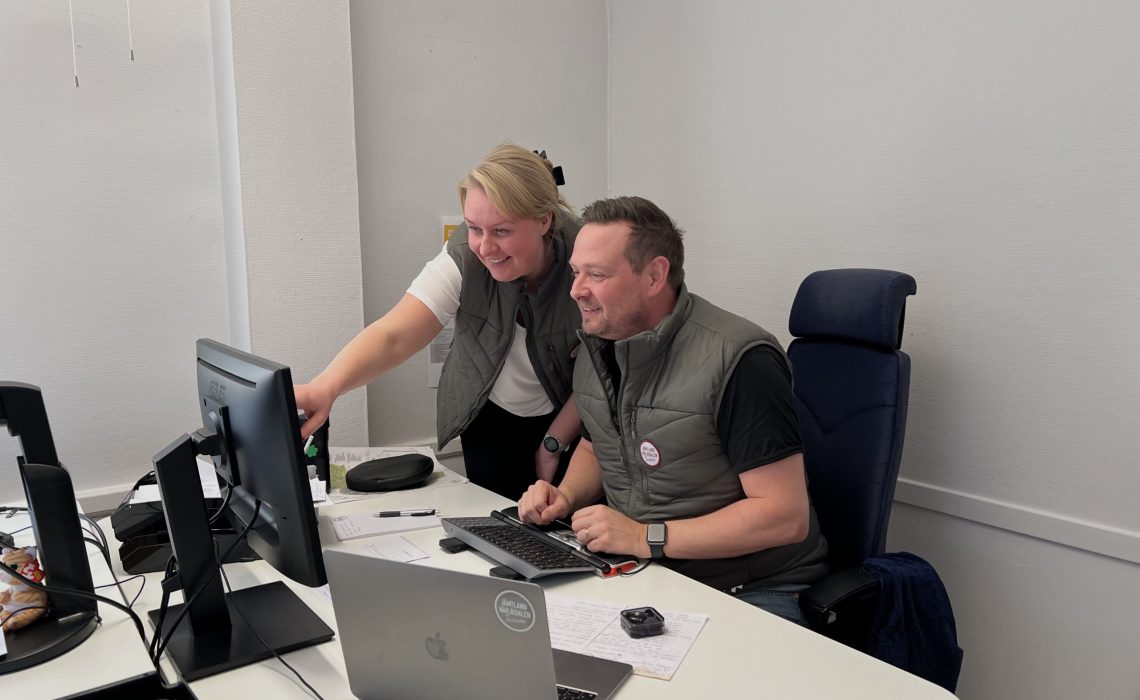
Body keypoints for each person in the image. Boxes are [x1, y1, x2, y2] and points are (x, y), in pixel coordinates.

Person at [518, 196, 829, 623]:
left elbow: (783, 516)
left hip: (751, 586)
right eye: (576, 272)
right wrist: (565, 498)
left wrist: (645, 537)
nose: (576, 290)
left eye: (597, 274)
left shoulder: (741, 359)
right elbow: (597, 444)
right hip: (648, 571)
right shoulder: (600, 343)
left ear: (654, 275)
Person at [295, 144, 583, 500]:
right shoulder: (464, 255)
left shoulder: (586, 260)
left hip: (573, 415)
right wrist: (327, 387)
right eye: (474, 227)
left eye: (502, 231)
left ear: (544, 220)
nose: (485, 247)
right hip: (490, 417)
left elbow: (603, 375)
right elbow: (394, 335)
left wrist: (555, 441)